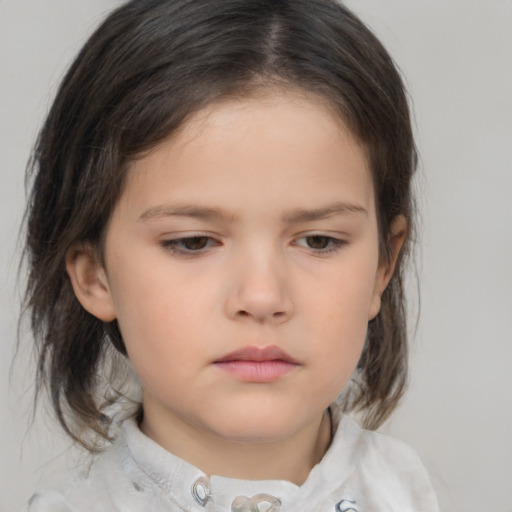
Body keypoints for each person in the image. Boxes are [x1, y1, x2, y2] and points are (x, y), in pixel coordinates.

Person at [22, 0, 439, 510]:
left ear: (383, 265)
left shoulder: (406, 491)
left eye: (318, 241)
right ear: (94, 276)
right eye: (193, 242)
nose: (261, 297)